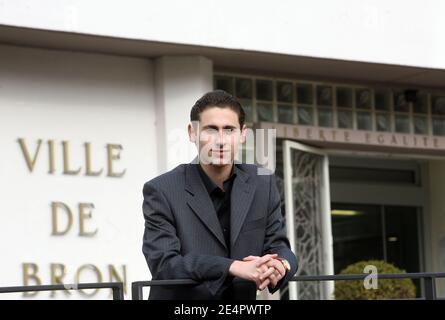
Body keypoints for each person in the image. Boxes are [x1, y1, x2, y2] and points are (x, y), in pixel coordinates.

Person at [142, 90, 297, 300]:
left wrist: (280, 264)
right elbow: (164, 265)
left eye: (229, 130)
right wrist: (233, 267)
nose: (220, 140)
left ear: (243, 134)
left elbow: (279, 245)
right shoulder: (162, 190)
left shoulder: (263, 183)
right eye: (211, 129)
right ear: (192, 132)